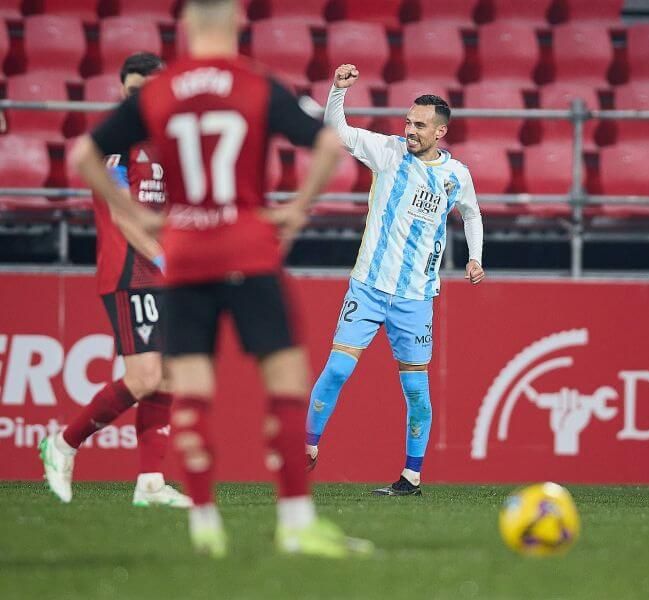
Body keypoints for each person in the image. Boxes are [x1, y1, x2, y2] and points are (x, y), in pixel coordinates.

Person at [71, 0, 369, 558]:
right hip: (248, 247)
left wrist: (137, 214)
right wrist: (297, 209)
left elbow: (83, 154)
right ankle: (296, 522)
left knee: (192, 388)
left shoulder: (160, 90)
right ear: (234, 22)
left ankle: (205, 523)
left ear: (185, 27)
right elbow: (329, 144)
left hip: (184, 256)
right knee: (283, 376)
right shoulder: (254, 82)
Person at [305, 63, 485, 496]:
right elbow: (339, 131)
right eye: (408, 121)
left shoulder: (455, 175)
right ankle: (307, 448)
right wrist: (337, 91)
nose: (410, 129)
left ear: (440, 132)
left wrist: (475, 257)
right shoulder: (387, 152)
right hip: (368, 287)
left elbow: (473, 213)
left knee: (416, 391)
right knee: (336, 370)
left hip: (415, 298)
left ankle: (411, 477)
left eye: (420, 125)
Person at [39, 52, 191, 509]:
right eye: (132, 91)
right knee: (145, 376)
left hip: (165, 271)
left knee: (168, 375)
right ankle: (63, 443)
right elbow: (125, 217)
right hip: (131, 271)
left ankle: (149, 482)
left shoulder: (174, 142)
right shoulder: (116, 143)